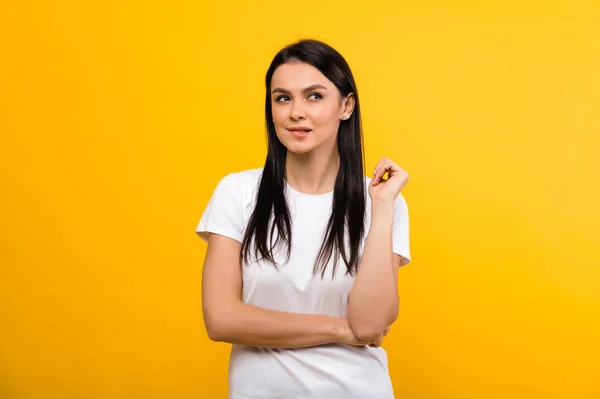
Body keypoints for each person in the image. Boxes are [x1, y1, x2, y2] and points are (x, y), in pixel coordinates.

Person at [196, 38, 411, 399]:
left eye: (314, 96)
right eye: (283, 98)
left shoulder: (382, 200)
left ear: (346, 106)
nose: (296, 112)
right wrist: (340, 330)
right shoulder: (238, 192)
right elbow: (221, 319)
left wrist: (383, 205)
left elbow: (372, 322)